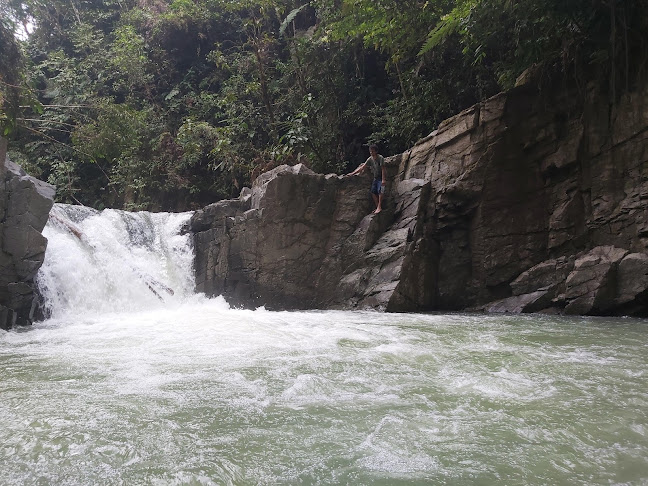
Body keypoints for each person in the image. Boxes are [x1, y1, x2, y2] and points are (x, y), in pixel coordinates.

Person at [347, 144, 387, 214]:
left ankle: (379, 206)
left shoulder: (380, 158)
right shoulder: (370, 159)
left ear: (376, 151)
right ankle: (377, 206)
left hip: (381, 177)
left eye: (373, 151)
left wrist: (383, 179)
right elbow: (363, 167)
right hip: (375, 177)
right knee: (373, 192)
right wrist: (352, 173)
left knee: (381, 191)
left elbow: (383, 169)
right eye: (370, 151)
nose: (371, 153)